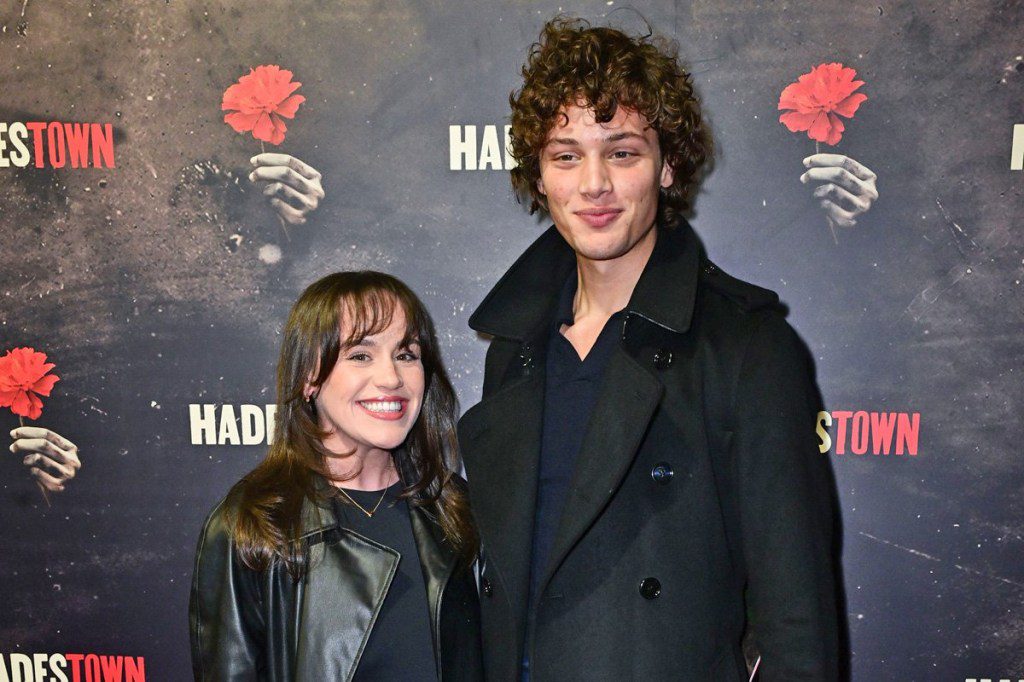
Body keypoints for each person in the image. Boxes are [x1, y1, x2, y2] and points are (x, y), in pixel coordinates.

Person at [454, 18, 840, 681]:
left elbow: (797, 625)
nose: (594, 184)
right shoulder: (515, 349)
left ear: (668, 166)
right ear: (540, 176)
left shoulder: (746, 347)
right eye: (566, 155)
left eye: (623, 153)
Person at [189, 271, 482, 681]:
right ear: (310, 377)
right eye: (360, 355)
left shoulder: (457, 507)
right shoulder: (254, 524)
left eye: (406, 354)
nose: (391, 378)